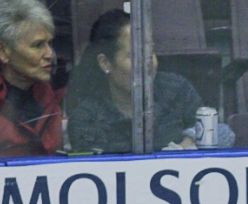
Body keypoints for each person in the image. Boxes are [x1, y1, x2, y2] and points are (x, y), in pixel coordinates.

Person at [65, 9, 229, 152]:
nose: (148, 63)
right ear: (105, 63)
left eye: (150, 52)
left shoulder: (177, 89)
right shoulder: (86, 118)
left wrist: (188, 144)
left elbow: (223, 132)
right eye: (135, 56)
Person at [0, 0, 61, 156]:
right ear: (4, 51)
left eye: (50, 43)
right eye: (38, 45)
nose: (50, 54)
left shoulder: (52, 98)